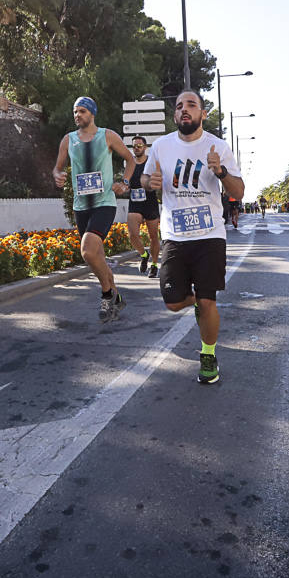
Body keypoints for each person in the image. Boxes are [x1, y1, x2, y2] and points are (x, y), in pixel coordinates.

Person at [145, 91, 243, 385]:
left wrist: (221, 171)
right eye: (179, 107)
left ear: (202, 113)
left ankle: (208, 354)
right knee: (172, 301)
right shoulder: (161, 146)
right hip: (175, 235)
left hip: (210, 234)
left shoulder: (218, 146)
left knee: (208, 300)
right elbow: (146, 178)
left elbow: (238, 192)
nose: (184, 110)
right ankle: (197, 302)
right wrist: (148, 182)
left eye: (191, 105)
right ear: (174, 115)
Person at [53, 96, 135, 323]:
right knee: (96, 255)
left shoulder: (107, 136)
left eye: (82, 111)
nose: (77, 115)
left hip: (104, 204)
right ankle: (117, 298)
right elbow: (58, 168)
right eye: (75, 112)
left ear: (92, 114)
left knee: (87, 251)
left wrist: (125, 182)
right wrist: (58, 176)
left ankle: (107, 294)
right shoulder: (68, 140)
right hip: (81, 206)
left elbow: (130, 160)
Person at [124, 135, 161, 278]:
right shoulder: (130, 164)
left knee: (153, 237)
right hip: (135, 203)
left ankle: (154, 265)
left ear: (145, 148)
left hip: (150, 203)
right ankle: (144, 255)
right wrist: (124, 187)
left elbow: (158, 178)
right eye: (134, 146)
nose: (136, 148)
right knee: (133, 235)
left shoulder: (151, 162)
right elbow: (126, 182)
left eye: (139, 146)